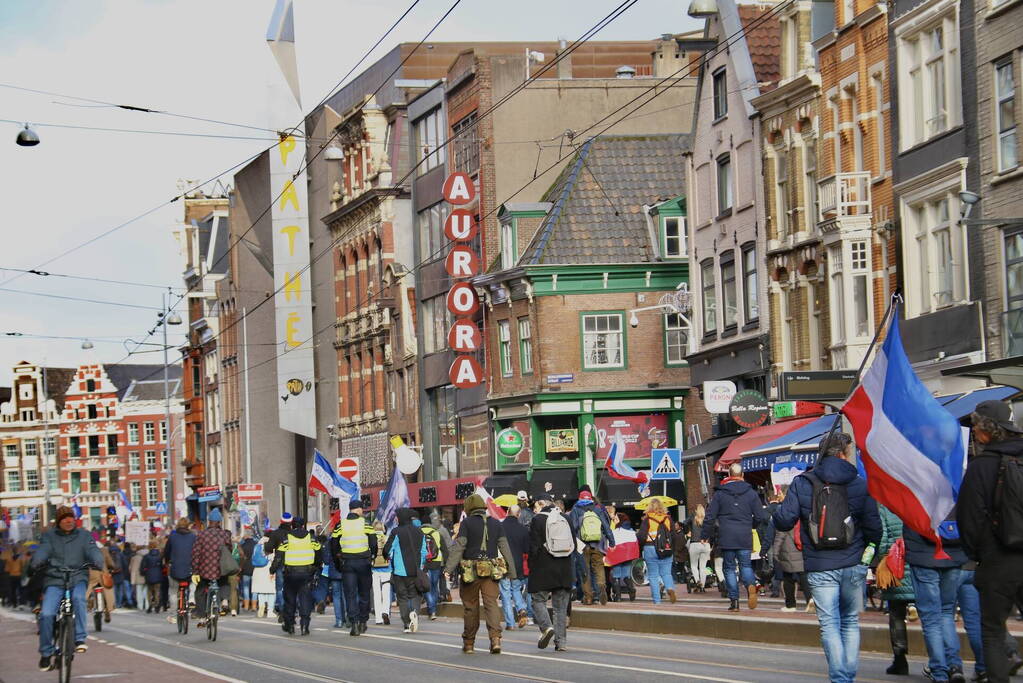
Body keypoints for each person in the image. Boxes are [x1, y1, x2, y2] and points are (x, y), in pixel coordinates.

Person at [773, 432, 881, 683]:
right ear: (843, 454)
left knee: (829, 623)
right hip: (853, 562)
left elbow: (784, 519)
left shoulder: (803, 482)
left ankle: (840, 678)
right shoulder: (858, 483)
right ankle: (848, 674)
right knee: (850, 621)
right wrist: (868, 555)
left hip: (820, 564)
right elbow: (874, 526)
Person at [958, 400, 1023, 683]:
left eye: (974, 426)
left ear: (987, 430)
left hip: (997, 559)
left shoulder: (980, 466)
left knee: (994, 630)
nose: (973, 432)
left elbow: (968, 519)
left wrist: (979, 552)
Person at [31, 506, 104, 672]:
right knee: (47, 614)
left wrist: (98, 560)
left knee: (79, 599)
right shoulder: (49, 536)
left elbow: (93, 550)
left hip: (77, 577)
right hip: (55, 579)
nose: (69, 520)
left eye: (71, 517)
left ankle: (79, 639)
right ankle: (46, 652)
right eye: (64, 518)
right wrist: (37, 561)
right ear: (58, 521)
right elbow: (43, 550)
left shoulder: (84, 536)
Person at [444, 493, 518, 654]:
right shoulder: (496, 524)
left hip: (470, 572)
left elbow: (459, 547)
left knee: (471, 607)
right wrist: (512, 572)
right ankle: (495, 639)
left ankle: (469, 643)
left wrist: (448, 569)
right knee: (491, 605)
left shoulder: (466, 523)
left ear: (469, 508)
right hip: (491, 571)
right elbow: (505, 548)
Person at [701, 463, 769, 611]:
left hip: (726, 535)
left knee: (729, 568)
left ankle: (734, 601)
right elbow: (760, 516)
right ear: (742, 475)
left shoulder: (720, 494)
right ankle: (751, 585)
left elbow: (710, 517)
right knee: (745, 565)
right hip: (744, 534)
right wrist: (751, 526)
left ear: (729, 475)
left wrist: (705, 535)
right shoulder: (751, 493)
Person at [528, 494, 573, 652]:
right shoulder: (566, 518)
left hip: (543, 568)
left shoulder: (537, 519)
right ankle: (561, 643)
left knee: (537, 600)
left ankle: (546, 627)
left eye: (535, 506)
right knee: (560, 607)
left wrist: (531, 567)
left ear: (541, 504)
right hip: (565, 568)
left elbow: (533, 547)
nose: (535, 509)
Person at [877, 504, 915, 675]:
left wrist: (881, 560)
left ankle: (900, 659)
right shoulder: (921, 495)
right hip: (921, 563)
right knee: (933, 617)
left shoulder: (885, 503)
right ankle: (939, 663)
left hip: (896, 566)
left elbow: (883, 538)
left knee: (896, 614)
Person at [332, 500, 377, 636]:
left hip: (347, 563)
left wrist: (338, 562)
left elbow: (333, 545)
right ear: (358, 510)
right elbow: (373, 543)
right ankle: (363, 621)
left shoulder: (340, 525)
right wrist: (372, 556)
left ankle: (354, 624)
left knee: (350, 594)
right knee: (364, 593)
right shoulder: (366, 523)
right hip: (364, 562)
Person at [567, 486, 615, 605]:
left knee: (584, 570)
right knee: (598, 567)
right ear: (591, 498)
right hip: (598, 544)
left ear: (579, 498)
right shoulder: (597, 509)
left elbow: (572, 528)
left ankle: (588, 597)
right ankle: (601, 586)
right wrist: (612, 541)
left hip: (582, 545)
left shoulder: (576, 510)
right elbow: (606, 526)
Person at [273, 516, 320, 635]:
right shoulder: (311, 538)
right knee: (305, 599)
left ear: (292, 526)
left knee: (290, 600)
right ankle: (304, 626)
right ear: (304, 525)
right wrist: (317, 566)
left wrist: (272, 569)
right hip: (307, 573)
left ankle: (290, 625)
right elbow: (319, 552)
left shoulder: (287, 538)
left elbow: (279, 555)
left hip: (291, 573)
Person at [385, 508, 427, 634]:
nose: (396, 518)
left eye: (397, 516)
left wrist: (388, 556)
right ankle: (414, 612)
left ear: (401, 517)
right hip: (415, 570)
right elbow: (424, 551)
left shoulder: (396, 531)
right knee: (415, 594)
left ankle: (406, 622)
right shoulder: (420, 532)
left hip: (400, 570)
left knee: (402, 597)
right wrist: (421, 565)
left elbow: (388, 549)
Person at [190, 507, 232, 629]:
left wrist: (195, 571)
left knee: (200, 591)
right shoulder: (224, 535)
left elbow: (196, 553)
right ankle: (224, 600)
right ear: (219, 522)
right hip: (220, 569)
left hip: (205, 570)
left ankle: (202, 617)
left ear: (209, 521)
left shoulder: (201, 535)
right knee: (224, 581)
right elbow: (229, 550)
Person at [769, 504, 811, 612]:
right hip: (802, 550)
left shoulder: (785, 518)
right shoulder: (804, 514)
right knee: (804, 577)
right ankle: (811, 600)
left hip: (787, 552)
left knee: (788, 578)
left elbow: (780, 537)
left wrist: (775, 554)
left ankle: (790, 605)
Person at [638, 497, 676, 604]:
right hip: (666, 548)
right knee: (666, 573)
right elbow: (674, 535)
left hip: (650, 548)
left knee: (653, 575)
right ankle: (670, 588)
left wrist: (641, 546)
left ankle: (657, 600)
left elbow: (641, 536)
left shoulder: (647, 519)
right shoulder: (668, 518)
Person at [499, 505, 531, 629]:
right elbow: (526, 549)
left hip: (503, 564)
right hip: (518, 564)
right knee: (516, 589)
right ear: (518, 515)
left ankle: (510, 623)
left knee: (505, 593)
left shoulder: (500, 527)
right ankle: (522, 609)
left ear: (507, 512)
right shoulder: (523, 529)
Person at [163, 517, 195, 621]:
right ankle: (191, 597)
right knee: (194, 581)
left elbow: (167, 552)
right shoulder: (193, 536)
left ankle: (173, 615)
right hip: (189, 568)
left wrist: (167, 561)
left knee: (172, 591)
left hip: (175, 569)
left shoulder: (172, 537)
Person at [421, 512, 449, 621]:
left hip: (424, 563)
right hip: (436, 562)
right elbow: (444, 550)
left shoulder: (418, 532)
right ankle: (434, 609)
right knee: (434, 585)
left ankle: (431, 610)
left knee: (426, 587)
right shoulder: (437, 533)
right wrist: (447, 564)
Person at [266, 512, 293, 620]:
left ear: (281, 521)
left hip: (280, 564)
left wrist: (272, 569)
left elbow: (268, 548)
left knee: (280, 589)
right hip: (293, 564)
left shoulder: (276, 533)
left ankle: (282, 610)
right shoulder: (293, 534)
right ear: (291, 522)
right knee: (292, 588)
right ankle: (292, 609)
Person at [370, 520, 392, 626]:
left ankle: (378, 618)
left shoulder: (371, 539)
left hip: (374, 569)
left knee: (377, 593)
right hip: (387, 569)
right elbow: (390, 554)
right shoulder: (387, 538)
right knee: (386, 593)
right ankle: (385, 612)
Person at [687, 504, 711, 593]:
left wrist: (689, 530)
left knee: (694, 565)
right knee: (703, 567)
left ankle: (697, 581)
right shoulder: (707, 519)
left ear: (696, 510)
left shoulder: (693, 517)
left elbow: (684, 523)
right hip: (705, 544)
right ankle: (703, 586)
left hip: (694, 543)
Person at [250, 533, 276, 618]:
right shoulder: (270, 545)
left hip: (257, 570)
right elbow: (273, 558)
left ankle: (261, 605)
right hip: (268, 569)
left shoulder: (256, 546)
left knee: (261, 591)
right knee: (271, 591)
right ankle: (270, 610)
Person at [140, 543, 164, 613]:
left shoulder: (146, 556)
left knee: (149, 591)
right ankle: (157, 605)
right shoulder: (160, 556)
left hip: (149, 575)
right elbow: (162, 566)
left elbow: (142, 567)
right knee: (157, 591)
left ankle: (150, 605)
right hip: (158, 575)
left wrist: (144, 573)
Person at [238, 531, 257, 612]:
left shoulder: (242, 545)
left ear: (246, 536)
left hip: (245, 568)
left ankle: (246, 606)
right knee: (255, 588)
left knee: (245, 588)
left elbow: (240, 557)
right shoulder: (256, 544)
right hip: (255, 568)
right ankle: (254, 606)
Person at [129, 544, 146, 611]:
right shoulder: (147, 556)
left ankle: (140, 606)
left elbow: (130, 568)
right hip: (146, 575)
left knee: (138, 591)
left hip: (137, 576)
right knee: (146, 590)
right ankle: (146, 605)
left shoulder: (134, 558)